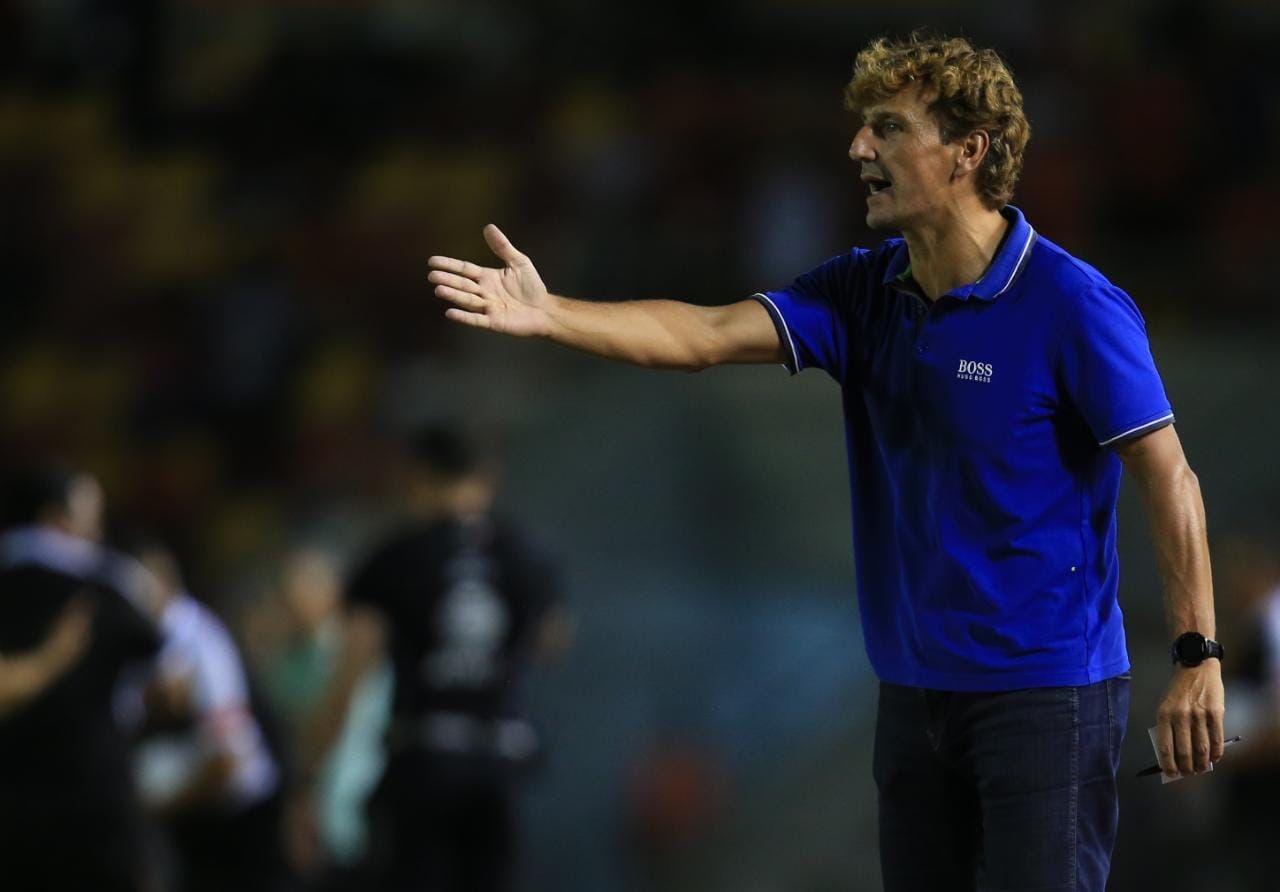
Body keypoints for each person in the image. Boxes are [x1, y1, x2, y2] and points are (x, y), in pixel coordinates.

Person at [427, 33, 1224, 891]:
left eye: (887, 128)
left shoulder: (1070, 304)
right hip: (914, 697)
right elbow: (701, 335)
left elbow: (1168, 474)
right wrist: (554, 317)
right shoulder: (860, 290)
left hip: (1045, 696)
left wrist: (1197, 654)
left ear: (968, 151)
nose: (858, 149)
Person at [293, 424, 569, 892]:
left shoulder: (395, 559)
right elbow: (550, 642)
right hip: (500, 763)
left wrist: (306, 780)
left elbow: (350, 676)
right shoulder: (527, 556)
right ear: (487, 476)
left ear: (416, 477)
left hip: (424, 764)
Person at [0, 467, 163, 892]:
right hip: (94, 811)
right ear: (57, 519)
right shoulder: (109, 585)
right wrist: (50, 660)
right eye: (91, 521)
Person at [130, 539, 288, 892]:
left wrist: (153, 809)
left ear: (163, 582)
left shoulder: (199, 641)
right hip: (195, 813)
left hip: (239, 823)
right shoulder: (143, 639)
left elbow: (227, 764)